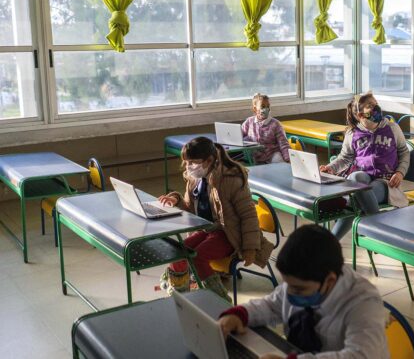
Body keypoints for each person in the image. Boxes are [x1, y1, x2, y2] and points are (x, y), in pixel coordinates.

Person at [218, 225, 388, 358]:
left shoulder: (363, 303)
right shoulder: (301, 281)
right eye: (287, 285)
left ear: (329, 280)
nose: (289, 293)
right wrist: (240, 314)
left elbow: (360, 356)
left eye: (299, 289)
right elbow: (270, 306)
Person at [157, 136, 274, 301]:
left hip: (230, 234)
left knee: (197, 256)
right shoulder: (194, 179)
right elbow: (190, 210)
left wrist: (250, 248)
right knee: (178, 252)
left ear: (209, 160)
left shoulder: (231, 179)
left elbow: (248, 216)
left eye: (193, 162)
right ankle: (180, 296)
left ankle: (218, 300)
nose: (189, 167)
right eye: (186, 162)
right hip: (209, 230)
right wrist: (176, 200)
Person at [321, 93, 410, 240]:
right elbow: (344, 158)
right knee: (356, 177)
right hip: (363, 176)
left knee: (355, 202)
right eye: (370, 106)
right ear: (360, 115)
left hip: (386, 182)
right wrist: (330, 168)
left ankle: (331, 242)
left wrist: (400, 173)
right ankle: (377, 227)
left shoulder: (392, 128)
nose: (376, 107)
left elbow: (404, 152)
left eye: (376, 103)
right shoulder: (353, 133)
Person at [241, 93, 291, 164]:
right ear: (255, 109)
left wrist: (288, 159)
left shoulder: (275, 124)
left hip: (271, 154)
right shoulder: (249, 122)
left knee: (279, 161)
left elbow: (283, 144)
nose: (266, 109)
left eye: (268, 106)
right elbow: (238, 135)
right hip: (254, 157)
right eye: (263, 106)